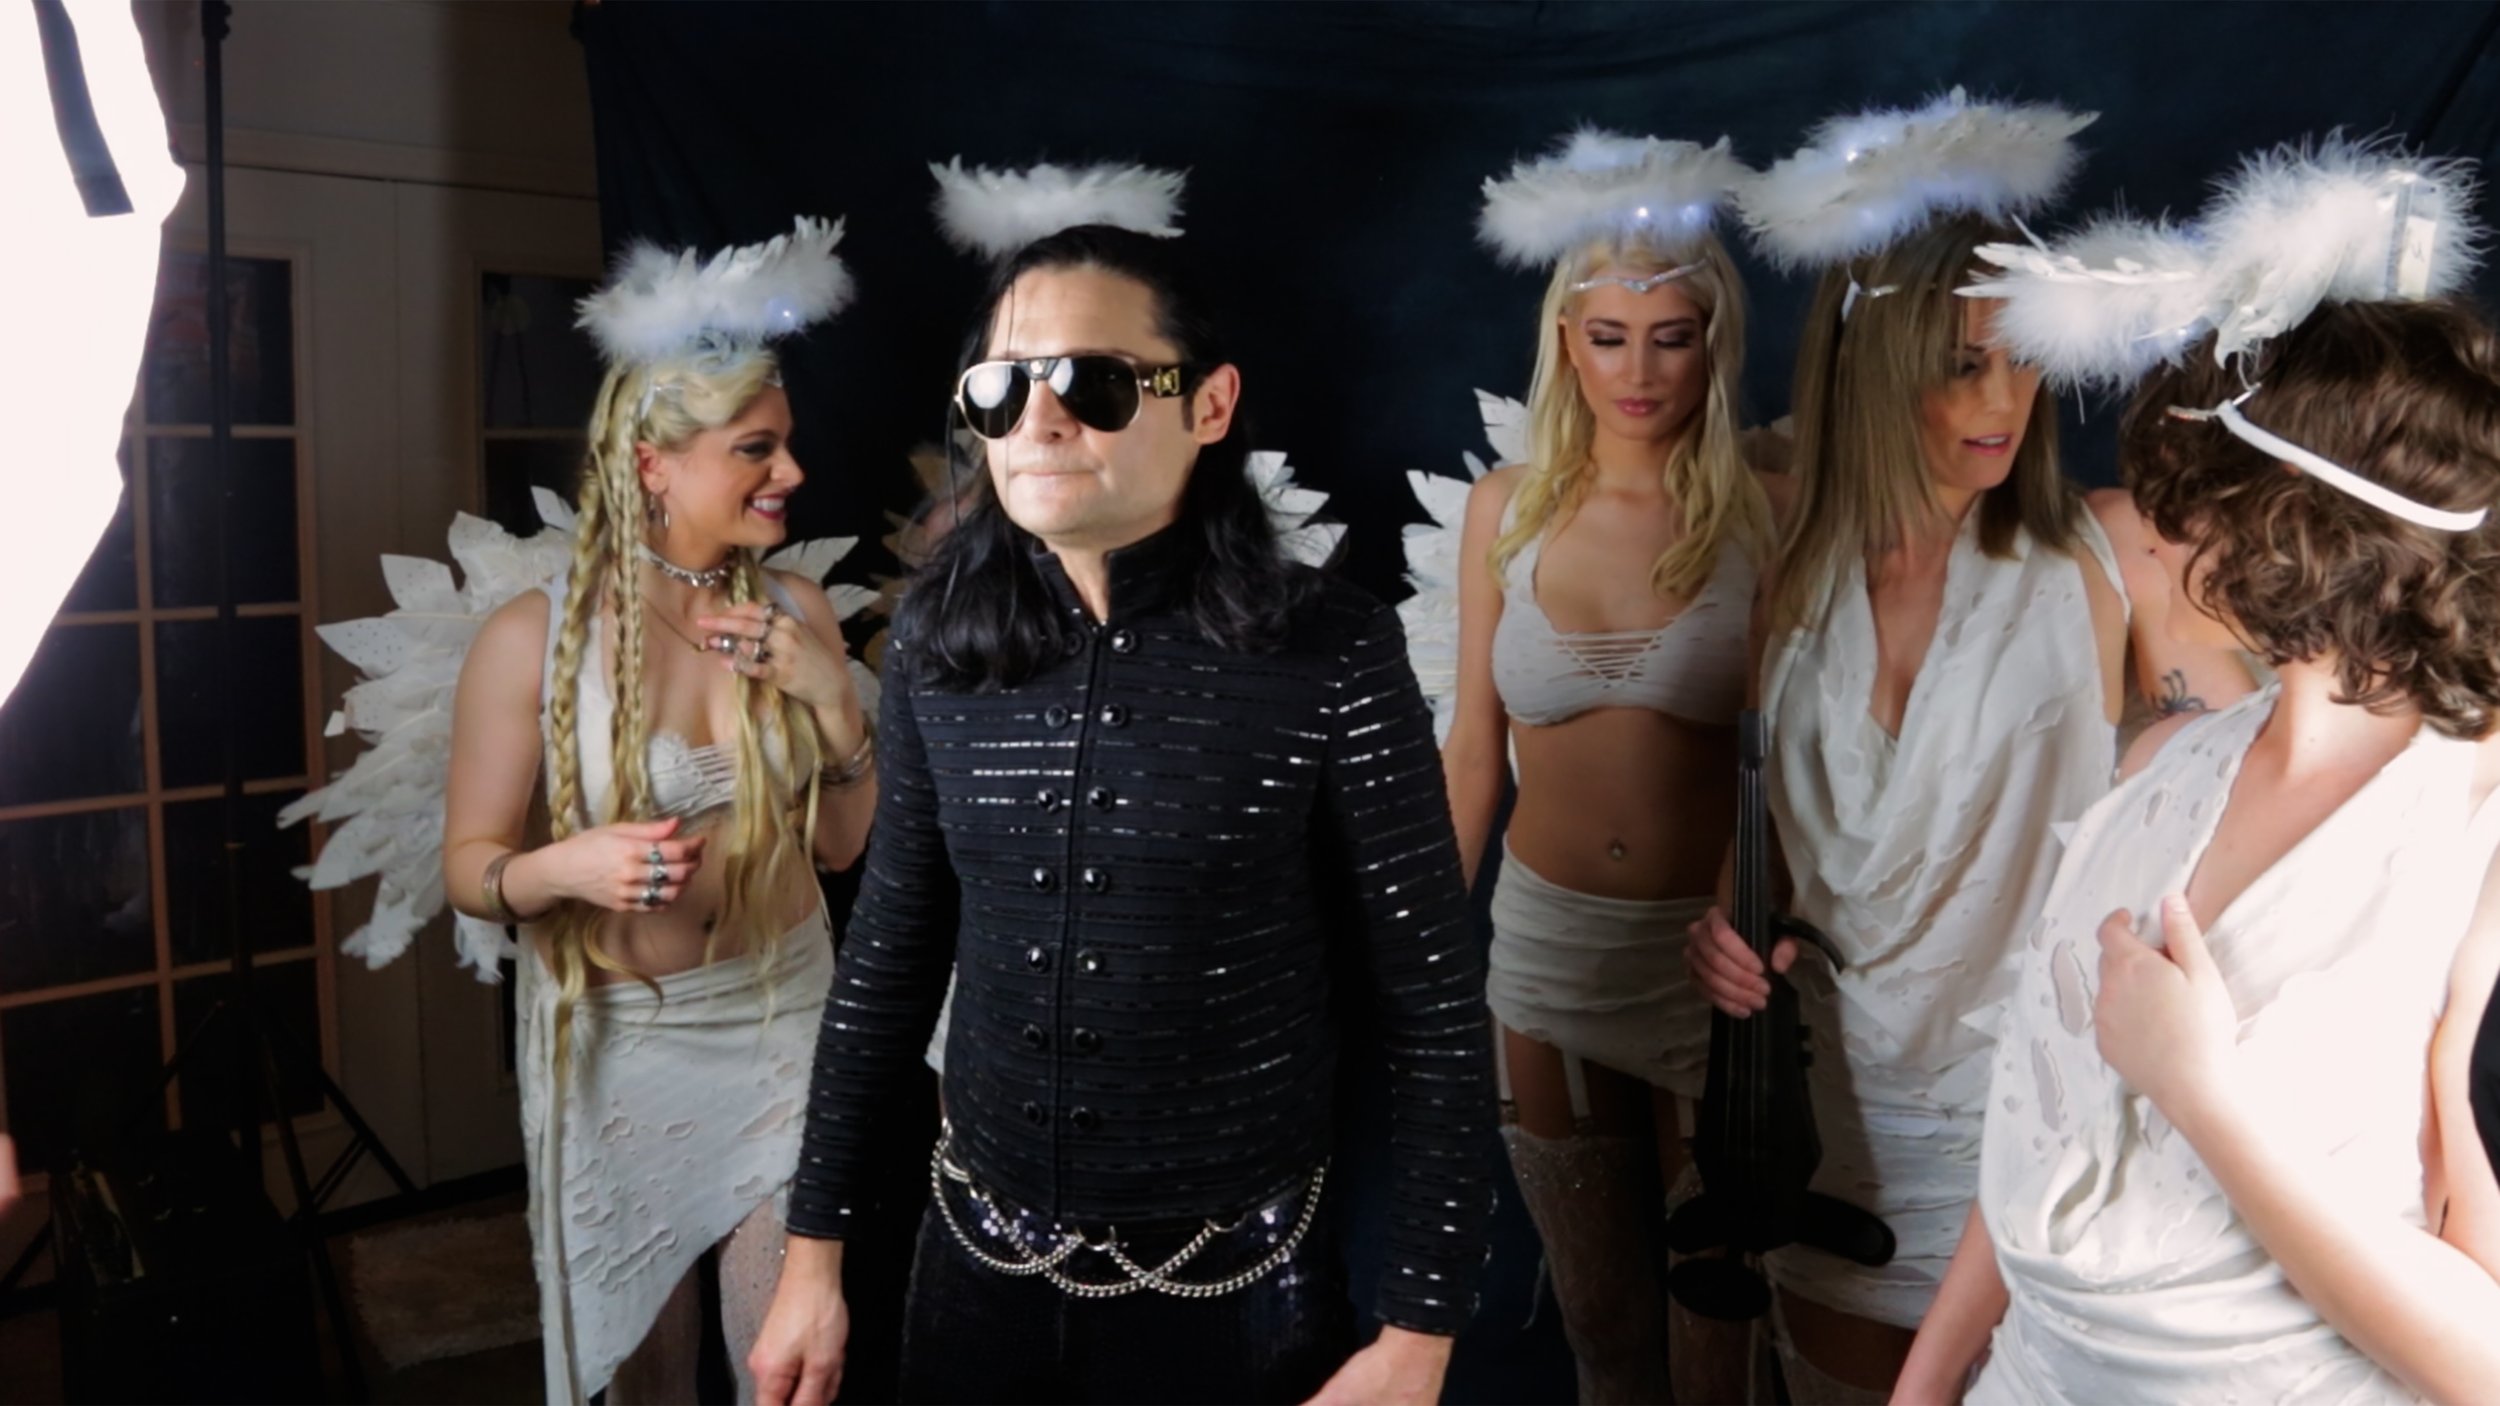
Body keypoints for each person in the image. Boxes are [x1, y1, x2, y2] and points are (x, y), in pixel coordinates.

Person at [748, 164, 1496, 1406]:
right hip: (971, 1272)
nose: (1037, 419)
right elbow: (886, 961)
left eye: (1092, 383)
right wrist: (811, 1259)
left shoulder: (1331, 651)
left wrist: (1420, 1331)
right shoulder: (938, 640)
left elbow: (1428, 1005)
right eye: (999, 387)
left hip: (1237, 1291)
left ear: (1209, 405)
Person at [1688, 93, 2254, 1402]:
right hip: (1835, 1113)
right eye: (1963, 365)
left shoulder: (2111, 554)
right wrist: (1722, 930)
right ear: (1875, 372)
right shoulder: (1796, 571)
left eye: (2021, 356)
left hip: (2034, 1113)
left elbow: (2252, 806)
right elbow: (1768, 831)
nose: (2008, 400)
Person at [439, 218, 878, 1404]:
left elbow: (844, 844)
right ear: (654, 465)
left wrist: (833, 702)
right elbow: (470, 869)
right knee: (646, 1378)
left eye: (784, 445)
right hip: (620, 1050)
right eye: (756, 449)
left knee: (786, 1363)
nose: (790, 473)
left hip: (784, 1017)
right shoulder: (529, 644)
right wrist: (561, 868)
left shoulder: (798, 612)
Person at [1440, 127, 1773, 1405]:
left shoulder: (1766, 509)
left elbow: (1791, 754)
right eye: (1609, 335)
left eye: (1671, 335)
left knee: (1717, 1336)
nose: (1639, 368)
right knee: (1601, 1327)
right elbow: (1474, 749)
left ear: (1712, 341)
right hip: (1542, 955)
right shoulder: (1506, 510)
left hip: (1713, 966)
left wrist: (1754, 919)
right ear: (1565, 342)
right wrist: (1414, 958)